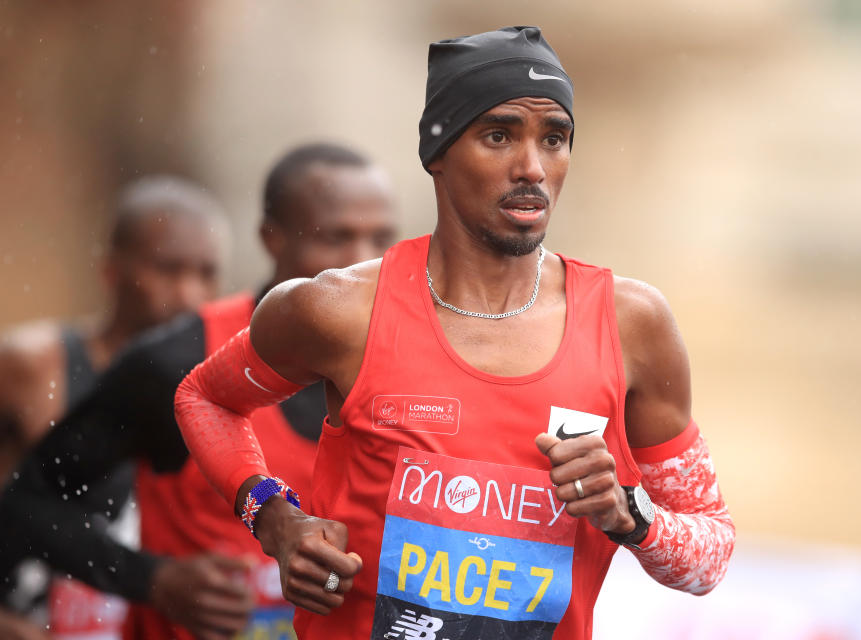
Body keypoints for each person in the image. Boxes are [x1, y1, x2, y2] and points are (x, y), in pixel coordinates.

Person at [175, 27, 736, 640]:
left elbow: (709, 556)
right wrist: (275, 520)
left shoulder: (632, 324)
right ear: (437, 151)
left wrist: (631, 513)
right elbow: (205, 397)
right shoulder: (337, 310)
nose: (532, 168)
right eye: (499, 135)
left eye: (555, 139)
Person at [0, 143, 399, 640]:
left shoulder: (412, 367)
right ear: (271, 239)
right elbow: (26, 505)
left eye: (380, 238)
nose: (359, 262)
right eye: (335, 237)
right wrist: (154, 580)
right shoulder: (176, 360)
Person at [0, 175, 228, 640]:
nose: (189, 294)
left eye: (206, 273)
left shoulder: (215, 384)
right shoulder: (34, 367)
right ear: (111, 271)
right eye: (168, 269)